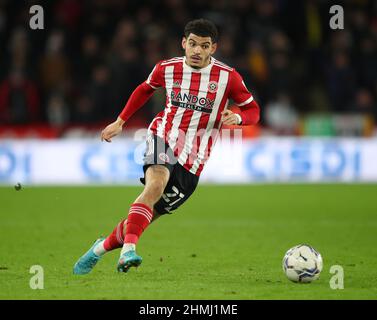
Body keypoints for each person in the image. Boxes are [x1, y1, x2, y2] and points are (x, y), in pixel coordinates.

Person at [73, 18, 260, 274]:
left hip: (194, 159)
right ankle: (128, 251)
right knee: (155, 185)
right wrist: (120, 121)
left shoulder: (228, 77)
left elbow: (253, 110)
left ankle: (99, 249)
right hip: (164, 136)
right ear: (183, 43)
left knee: (148, 214)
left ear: (213, 48)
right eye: (192, 44)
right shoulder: (167, 68)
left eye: (204, 46)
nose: (197, 51)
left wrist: (238, 117)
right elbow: (144, 89)